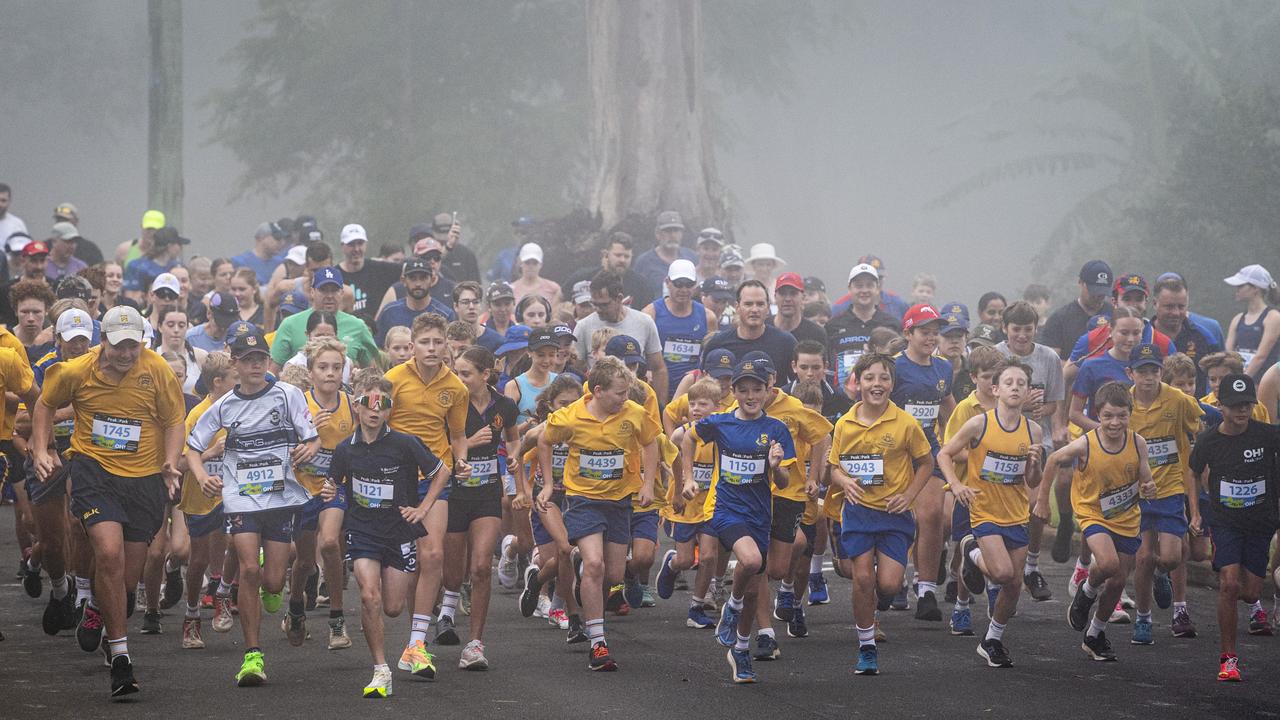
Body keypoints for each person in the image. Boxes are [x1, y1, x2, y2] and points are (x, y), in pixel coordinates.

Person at [32, 305, 183, 699]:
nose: (126, 354)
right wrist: (39, 449)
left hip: (144, 481)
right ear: (103, 342)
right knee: (109, 555)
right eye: (119, 346)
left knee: (126, 583)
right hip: (94, 472)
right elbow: (45, 404)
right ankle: (121, 659)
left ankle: (101, 609)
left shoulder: (157, 370)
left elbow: (174, 421)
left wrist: (170, 461)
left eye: (133, 346)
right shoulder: (77, 370)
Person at [186, 321, 320, 687]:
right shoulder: (224, 405)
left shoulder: (289, 395)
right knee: (247, 570)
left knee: (273, 582)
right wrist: (200, 476)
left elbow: (313, 438)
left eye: (260, 358)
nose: (255, 366)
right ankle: (253, 656)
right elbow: (193, 446)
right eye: (247, 360)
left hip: (280, 498)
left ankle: (267, 576)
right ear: (236, 364)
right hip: (241, 498)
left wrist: (310, 447)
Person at [320, 369, 448, 697]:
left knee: (391, 606)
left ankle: (408, 651)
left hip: (398, 532)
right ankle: (380, 670)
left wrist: (422, 509)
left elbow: (441, 472)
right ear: (356, 405)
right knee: (368, 596)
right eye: (368, 403)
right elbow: (333, 484)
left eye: (383, 404)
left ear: (390, 409)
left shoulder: (405, 444)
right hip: (363, 531)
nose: (375, 410)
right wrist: (328, 490)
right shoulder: (345, 450)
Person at [539, 356, 660, 671]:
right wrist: (549, 484)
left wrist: (648, 483)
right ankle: (598, 643)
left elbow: (650, 442)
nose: (624, 398)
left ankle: (589, 585)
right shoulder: (570, 417)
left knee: (614, 576)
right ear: (597, 391)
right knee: (595, 565)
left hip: (620, 500)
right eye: (619, 393)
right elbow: (543, 439)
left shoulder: (633, 413)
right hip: (583, 499)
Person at [682, 358, 794, 683]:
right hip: (727, 510)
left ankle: (740, 650)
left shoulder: (775, 429)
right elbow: (688, 438)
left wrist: (776, 466)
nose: (750, 395)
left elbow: (784, 482)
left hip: (760, 514)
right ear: (733, 392)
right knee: (752, 560)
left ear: (767, 391)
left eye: (756, 389)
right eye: (743, 389)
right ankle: (730, 606)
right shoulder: (719, 423)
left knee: (756, 589)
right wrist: (688, 477)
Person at [828, 353, 934, 675]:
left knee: (887, 585)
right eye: (870, 378)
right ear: (857, 383)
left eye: (884, 378)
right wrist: (844, 481)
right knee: (862, 578)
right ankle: (867, 647)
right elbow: (834, 467)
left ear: (892, 383)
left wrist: (910, 495)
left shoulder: (905, 423)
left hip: (893, 514)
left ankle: (877, 601)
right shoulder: (844, 424)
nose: (877, 384)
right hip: (859, 511)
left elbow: (927, 463)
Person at [1038, 382, 1157, 662]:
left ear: (1130, 413)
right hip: (1093, 513)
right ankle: (1087, 590)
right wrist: (1042, 500)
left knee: (1117, 583)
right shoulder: (1087, 443)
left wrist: (1149, 485)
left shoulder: (1137, 442)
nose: (1115, 422)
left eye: (1121, 416)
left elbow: (1145, 475)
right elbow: (1054, 459)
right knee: (1107, 564)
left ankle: (1095, 634)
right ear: (1097, 415)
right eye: (1108, 416)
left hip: (1127, 517)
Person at [941, 360, 1044, 668]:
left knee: (1013, 586)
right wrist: (956, 484)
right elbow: (944, 453)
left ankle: (992, 640)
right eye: (1009, 382)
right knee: (1001, 574)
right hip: (983, 510)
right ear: (996, 389)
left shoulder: (1034, 430)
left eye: (1021, 383)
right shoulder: (980, 424)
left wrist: (1036, 465)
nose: (1015, 387)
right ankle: (970, 548)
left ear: (1027, 392)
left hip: (1015, 513)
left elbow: (1032, 481)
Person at [385, 313, 470, 679]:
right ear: (413, 344)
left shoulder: (457, 388)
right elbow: (376, 425)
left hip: (436, 480)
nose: (432, 349)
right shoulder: (393, 380)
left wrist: (462, 460)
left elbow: (457, 435)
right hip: (395, 481)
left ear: (447, 344)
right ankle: (409, 633)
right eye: (425, 342)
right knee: (407, 569)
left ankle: (417, 643)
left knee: (433, 554)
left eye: (438, 342)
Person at [1188, 373, 1280, 681]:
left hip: (1260, 521)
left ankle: (1247, 596)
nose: (1241, 411)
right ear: (1221, 407)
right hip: (1225, 520)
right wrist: (1197, 512)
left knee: (1251, 591)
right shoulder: (1209, 440)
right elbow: (1193, 471)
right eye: (1234, 405)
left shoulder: (1267, 435)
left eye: (1246, 405)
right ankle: (1229, 660)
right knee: (1228, 583)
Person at [442, 346, 520, 669]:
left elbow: (513, 437)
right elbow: (434, 449)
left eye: (465, 374)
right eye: (457, 373)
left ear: (485, 375)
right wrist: (468, 444)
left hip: (488, 492)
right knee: (454, 570)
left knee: (480, 566)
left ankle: (474, 644)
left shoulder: (504, 405)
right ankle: (446, 609)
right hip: (454, 494)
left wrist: (514, 454)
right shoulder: (450, 404)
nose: (458, 379)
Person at [1125, 342, 1203, 646]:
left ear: (1161, 372)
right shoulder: (1125, 403)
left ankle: (1163, 575)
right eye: (1142, 371)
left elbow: (1200, 419)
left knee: (1171, 556)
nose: (1148, 377)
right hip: (1138, 491)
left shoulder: (1177, 400)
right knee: (1143, 556)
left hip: (1170, 487)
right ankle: (1144, 619)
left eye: (1154, 370)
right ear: (1130, 373)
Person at [890, 304, 955, 620]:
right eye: (924, 332)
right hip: (893, 455)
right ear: (908, 334)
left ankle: (926, 589)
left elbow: (948, 406)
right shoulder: (893, 368)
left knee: (931, 516)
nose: (931, 338)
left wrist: (959, 438)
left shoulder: (944, 368)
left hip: (927, 452)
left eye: (934, 332)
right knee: (901, 518)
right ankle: (896, 579)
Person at [995, 300, 1065, 589]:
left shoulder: (1049, 358)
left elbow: (1054, 405)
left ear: (1037, 329)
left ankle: (1032, 566)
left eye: (1028, 330)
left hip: (1038, 437)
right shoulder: (995, 355)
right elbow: (987, 398)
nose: (1022, 336)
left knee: (1037, 505)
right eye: (1016, 330)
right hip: (1001, 437)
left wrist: (1039, 411)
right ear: (1004, 329)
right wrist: (1020, 403)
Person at [174, 350, 235, 650]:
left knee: (237, 542)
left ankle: (222, 591)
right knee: (197, 560)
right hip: (200, 494)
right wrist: (211, 453)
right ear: (218, 382)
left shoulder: (240, 409)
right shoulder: (197, 415)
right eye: (234, 379)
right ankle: (192, 615)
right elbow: (180, 463)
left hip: (232, 493)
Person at [657, 377, 723, 629]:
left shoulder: (722, 434)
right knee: (686, 559)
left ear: (717, 407)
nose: (695, 408)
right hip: (686, 502)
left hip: (711, 503)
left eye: (702, 404)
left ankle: (696, 608)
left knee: (708, 556)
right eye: (692, 403)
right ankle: (673, 564)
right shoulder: (680, 434)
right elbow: (672, 459)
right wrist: (676, 489)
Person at [572, 271, 668, 398]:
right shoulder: (584, 326)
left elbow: (658, 369)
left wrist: (660, 408)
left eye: (604, 304)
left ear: (619, 298)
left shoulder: (644, 322)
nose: (598, 309)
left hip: (634, 400)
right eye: (594, 304)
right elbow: (574, 370)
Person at [270, 266, 380, 369]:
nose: (329, 296)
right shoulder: (290, 324)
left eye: (334, 290)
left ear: (342, 293)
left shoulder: (358, 326)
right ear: (312, 292)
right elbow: (273, 370)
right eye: (323, 290)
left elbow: (372, 371)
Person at [643, 259, 716, 400]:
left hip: (694, 394)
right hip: (657, 389)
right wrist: (646, 370)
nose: (683, 290)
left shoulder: (708, 317)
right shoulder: (650, 314)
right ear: (667, 282)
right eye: (678, 284)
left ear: (695, 285)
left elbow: (712, 357)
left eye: (688, 285)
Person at [703, 280, 799, 386]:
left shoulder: (786, 342)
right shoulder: (718, 343)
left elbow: (798, 383)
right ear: (737, 307)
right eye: (748, 304)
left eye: (760, 304)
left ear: (768, 308)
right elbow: (703, 384)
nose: (754, 309)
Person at [825, 263, 899, 391]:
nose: (864, 290)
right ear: (849, 288)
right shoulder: (833, 325)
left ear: (877, 288)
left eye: (869, 285)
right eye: (859, 286)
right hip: (843, 401)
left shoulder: (892, 324)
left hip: (880, 396)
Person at [1149, 274, 1222, 395]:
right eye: (1169, 307)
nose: (1176, 312)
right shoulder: (1143, 337)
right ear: (1155, 303)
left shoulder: (1204, 337)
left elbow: (1221, 377)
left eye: (1181, 306)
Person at [564, 232, 655, 312]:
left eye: (627, 256)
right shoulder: (583, 277)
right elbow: (560, 298)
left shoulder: (641, 285)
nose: (622, 260)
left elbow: (648, 315)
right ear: (605, 254)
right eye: (618, 255)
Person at [1039, 260, 1113, 359]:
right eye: (1093, 292)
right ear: (1080, 283)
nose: (1097, 297)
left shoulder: (1115, 315)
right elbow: (1050, 362)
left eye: (1102, 293)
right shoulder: (1059, 320)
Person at [375, 258, 454, 346]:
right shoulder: (389, 312)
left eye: (423, 278)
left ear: (432, 280)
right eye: (413, 278)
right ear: (403, 281)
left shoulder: (445, 315)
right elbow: (378, 349)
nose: (418, 284)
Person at [1224, 264, 1280, 380]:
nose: (1237, 289)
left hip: (1264, 385)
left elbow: (1261, 356)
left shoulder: (1273, 317)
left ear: (1255, 288)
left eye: (1241, 285)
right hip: (1241, 385)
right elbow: (1227, 355)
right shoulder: (1237, 319)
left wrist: (1243, 382)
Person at [337, 223, 402, 320]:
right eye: (351, 244)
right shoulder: (335, 275)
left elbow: (408, 271)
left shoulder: (380, 269)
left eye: (360, 243)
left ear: (366, 245)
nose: (356, 249)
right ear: (342, 246)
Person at [633, 211, 696, 297]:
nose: (673, 235)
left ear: (682, 234)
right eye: (668, 231)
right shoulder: (644, 262)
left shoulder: (691, 258)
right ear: (657, 234)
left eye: (676, 231)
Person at [123, 227, 187, 303]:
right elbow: (131, 299)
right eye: (179, 244)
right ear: (169, 246)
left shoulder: (177, 267)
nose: (180, 248)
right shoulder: (137, 267)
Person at [770, 272, 827, 347]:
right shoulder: (762, 329)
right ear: (775, 297)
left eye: (793, 293)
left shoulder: (816, 333)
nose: (787, 299)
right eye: (782, 293)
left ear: (803, 298)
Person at [451, 281, 503, 352]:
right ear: (456, 306)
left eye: (476, 302)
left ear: (481, 305)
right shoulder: (447, 340)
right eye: (465, 302)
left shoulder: (496, 341)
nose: (471, 307)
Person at [230, 222, 286, 286]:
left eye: (283, 239)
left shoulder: (281, 263)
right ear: (261, 237)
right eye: (277, 238)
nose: (282, 242)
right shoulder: (239, 262)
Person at [429, 213, 478, 283]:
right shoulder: (426, 254)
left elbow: (475, 285)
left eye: (445, 240)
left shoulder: (467, 255)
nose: (443, 241)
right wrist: (447, 247)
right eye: (440, 240)